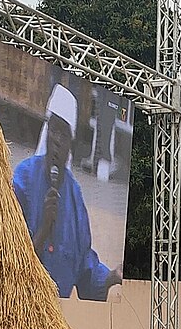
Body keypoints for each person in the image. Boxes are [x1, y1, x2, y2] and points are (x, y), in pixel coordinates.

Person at [13, 84, 122, 300]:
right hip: (21, 304)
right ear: (46, 131)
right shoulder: (23, 177)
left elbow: (85, 267)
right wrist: (44, 229)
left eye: (64, 134)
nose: (56, 140)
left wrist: (111, 277)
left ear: (70, 143)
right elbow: (10, 261)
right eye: (53, 129)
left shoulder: (74, 195)